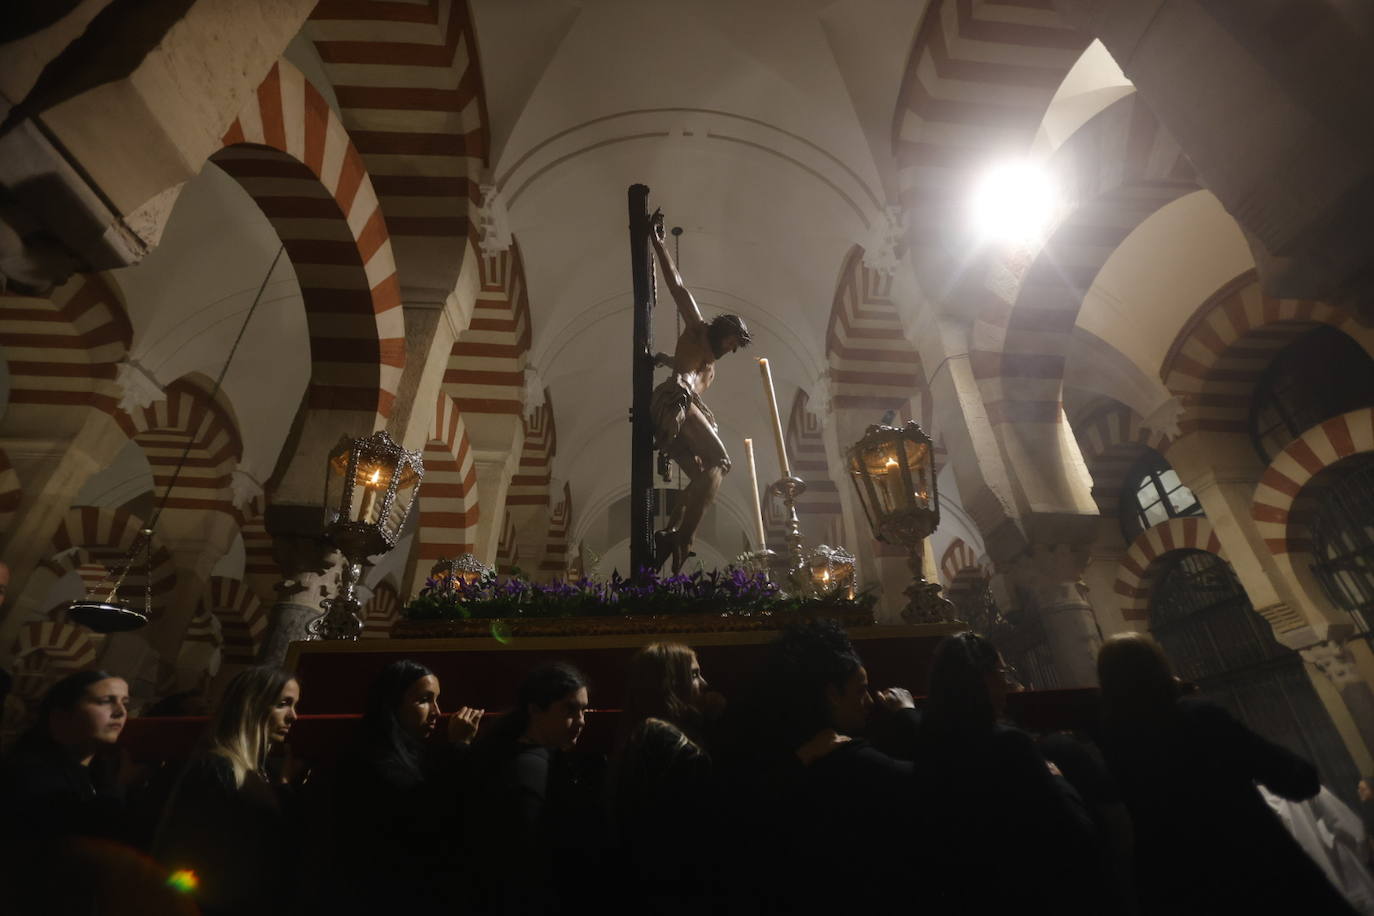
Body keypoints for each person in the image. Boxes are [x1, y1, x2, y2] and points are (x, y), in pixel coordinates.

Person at [1097, 632, 1357, 915]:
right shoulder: (1197, 717)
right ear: (1158, 668)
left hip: (1177, 885)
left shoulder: (1112, 740)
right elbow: (1296, 779)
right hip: (1251, 869)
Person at [714, 620, 917, 910]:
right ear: (832, 695)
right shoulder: (851, 761)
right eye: (860, 690)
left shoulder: (769, 756)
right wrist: (909, 716)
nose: (870, 701)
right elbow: (932, 781)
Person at [913, 631, 1105, 916]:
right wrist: (1054, 775)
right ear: (981, 681)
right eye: (1000, 673)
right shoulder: (1008, 744)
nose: (1007, 684)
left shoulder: (928, 745)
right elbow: (1073, 830)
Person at [319, 660, 482, 913]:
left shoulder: (416, 754)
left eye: (436, 700)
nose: (437, 712)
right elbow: (427, 815)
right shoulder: (370, 758)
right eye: (424, 700)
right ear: (392, 704)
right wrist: (459, 747)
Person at [647, 209, 751, 572]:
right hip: (674, 402)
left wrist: (664, 358)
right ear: (724, 329)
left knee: (703, 478)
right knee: (722, 460)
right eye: (733, 340)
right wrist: (658, 243)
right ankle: (683, 536)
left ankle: (671, 530)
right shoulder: (697, 329)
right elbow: (677, 286)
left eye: (737, 345)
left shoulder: (712, 370)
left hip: (686, 410)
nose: (732, 348)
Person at [153, 666, 303, 916]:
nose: (294, 716)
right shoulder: (216, 768)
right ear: (251, 705)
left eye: (295, 705)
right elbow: (187, 854)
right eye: (284, 704)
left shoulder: (256, 772)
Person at [465, 662, 600, 914]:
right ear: (536, 710)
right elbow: (526, 859)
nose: (581, 721)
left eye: (584, 710)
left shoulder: (527, 756)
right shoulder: (530, 767)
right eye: (570, 710)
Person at [0, 670, 136, 914]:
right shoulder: (30, 774)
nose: (120, 712)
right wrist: (117, 791)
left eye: (125, 703)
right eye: (105, 701)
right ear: (60, 715)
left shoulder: (97, 773)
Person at [612, 643, 722, 910]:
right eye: (694, 675)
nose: (705, 684)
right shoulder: (667, 741)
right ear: (670, 684)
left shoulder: (641, 735)